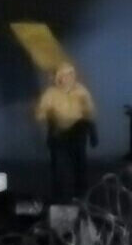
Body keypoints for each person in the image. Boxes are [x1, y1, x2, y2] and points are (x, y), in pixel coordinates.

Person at [35, 63, 97, 202]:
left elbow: (89, 112)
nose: (69, 77)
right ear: (59, 77)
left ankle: (81, 197)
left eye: (71, 74)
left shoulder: (82, 91)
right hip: (59, 135)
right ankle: (59, 198)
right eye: (66, 75)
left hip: (78, 133)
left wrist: (93, 134)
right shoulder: (51, 93)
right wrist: (48, 117)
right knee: (59, 168)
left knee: (80, 167)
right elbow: (40, 113)